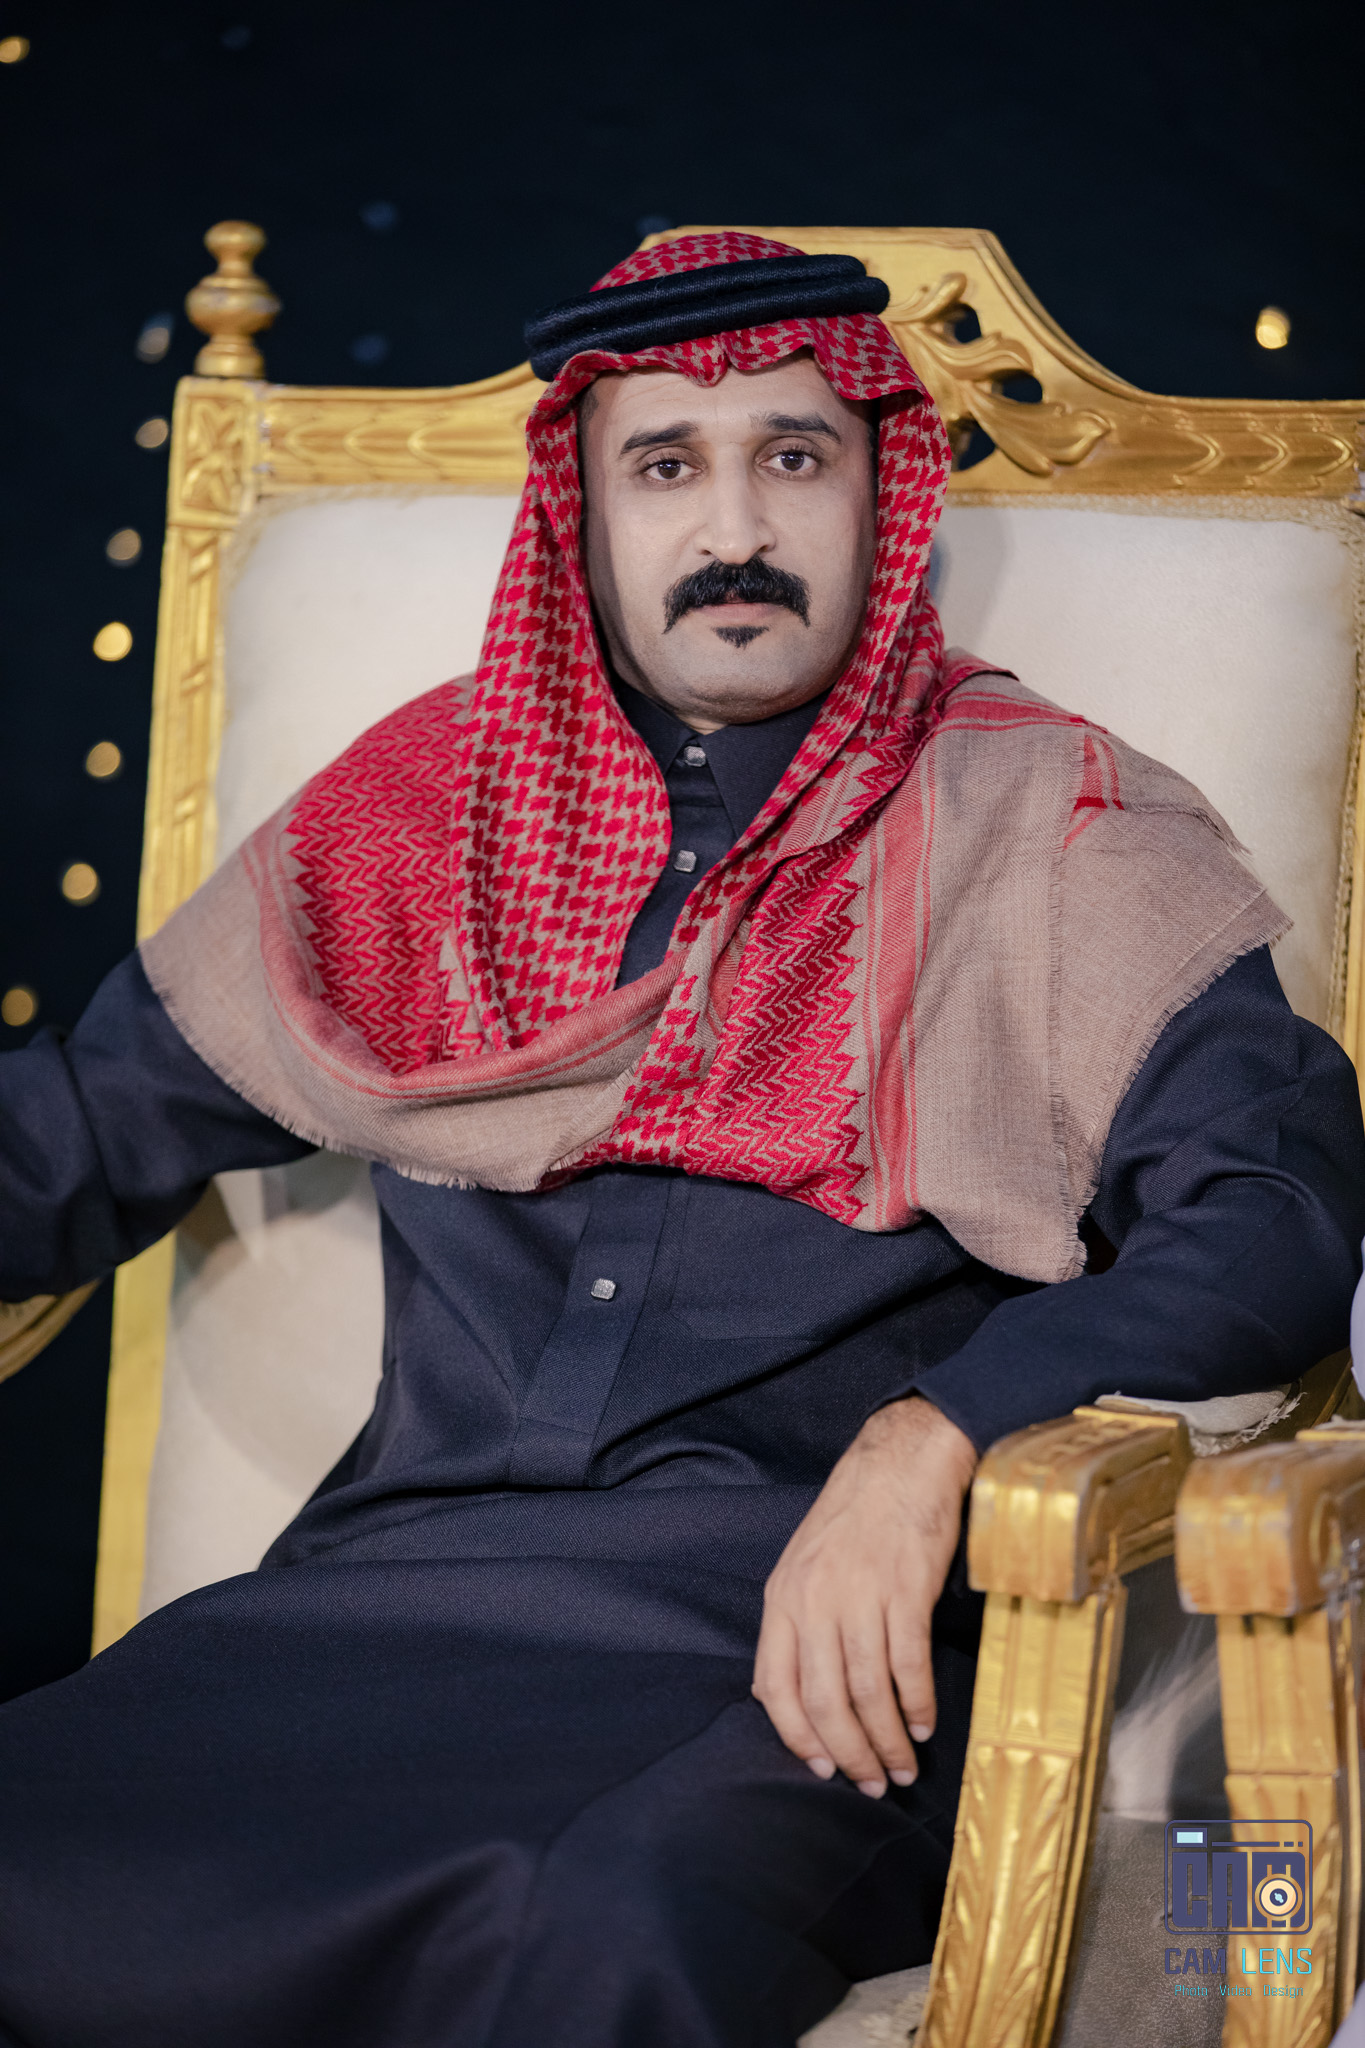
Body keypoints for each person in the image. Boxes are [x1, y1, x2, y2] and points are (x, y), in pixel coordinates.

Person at [0, 231, 1359, 2048]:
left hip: (802, 1648)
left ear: (877, 491)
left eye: (792, 456)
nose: (735, 526)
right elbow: (68, 1135)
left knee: (585, 1940)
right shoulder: (417, 826)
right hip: (361, 1611)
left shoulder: (1050, 836)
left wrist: (933, 1437)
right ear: (584, 518)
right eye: (664, 466)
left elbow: (1268, 1218)